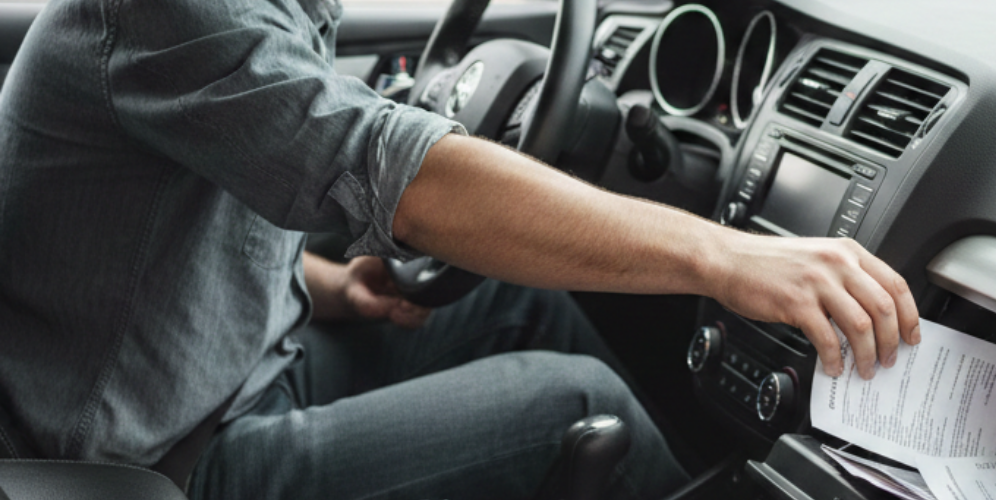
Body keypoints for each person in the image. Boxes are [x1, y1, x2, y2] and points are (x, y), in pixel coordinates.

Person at [0, 0, 920, 499]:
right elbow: (407, 176)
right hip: (152, 461)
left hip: (235, 373)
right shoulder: (166, 14)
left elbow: (177, 229)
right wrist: (726, 256)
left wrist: (331, 288)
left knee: (515, 303)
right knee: (578, 401)